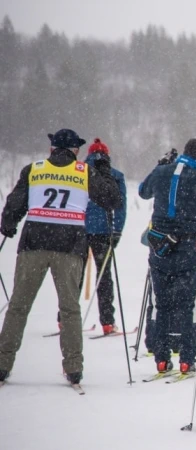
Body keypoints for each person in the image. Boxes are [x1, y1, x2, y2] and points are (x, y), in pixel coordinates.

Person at [0, 129, 122, 385]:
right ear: (76, 151)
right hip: (69, 245)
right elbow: (112, 200)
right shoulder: (84, 172)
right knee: (69, 309)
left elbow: (15, 202)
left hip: (34, 242)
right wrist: (104, 169)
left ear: (52, 149)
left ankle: (3, 362)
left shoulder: (33, 169)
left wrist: (8, 223)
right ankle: (74, 367)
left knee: (19, 306)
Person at [139, 138, 196, 375]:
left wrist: (160, 166)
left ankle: (161, 358)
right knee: (187, 305)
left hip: (159, 248)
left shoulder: (162, 172)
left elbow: (142, 192)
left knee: (162, 306)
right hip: (187, 247)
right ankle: (186, 359)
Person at [82, 138, 128, 335]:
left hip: (79, 230)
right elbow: (121, 206)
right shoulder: (115, 176)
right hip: (104, 231)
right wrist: (117, 230)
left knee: (74, 275)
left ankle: (64, 320)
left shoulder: (79, 172)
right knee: (104, 277)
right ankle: (107, 322)